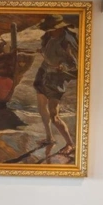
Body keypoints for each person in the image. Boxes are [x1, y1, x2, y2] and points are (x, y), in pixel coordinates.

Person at [33, 15, 78, 159]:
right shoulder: (48, 37)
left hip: (56, 78)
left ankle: (70, 144)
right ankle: (49, 138)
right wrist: (42, 52)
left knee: (54, 115)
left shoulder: (68, 40)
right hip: (43, 72)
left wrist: (63, 66)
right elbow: (48, 53)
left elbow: (76, 64)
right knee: (41, 106)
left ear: (60, 27)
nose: (50, 31)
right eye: (49, 29)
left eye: (52, 29)